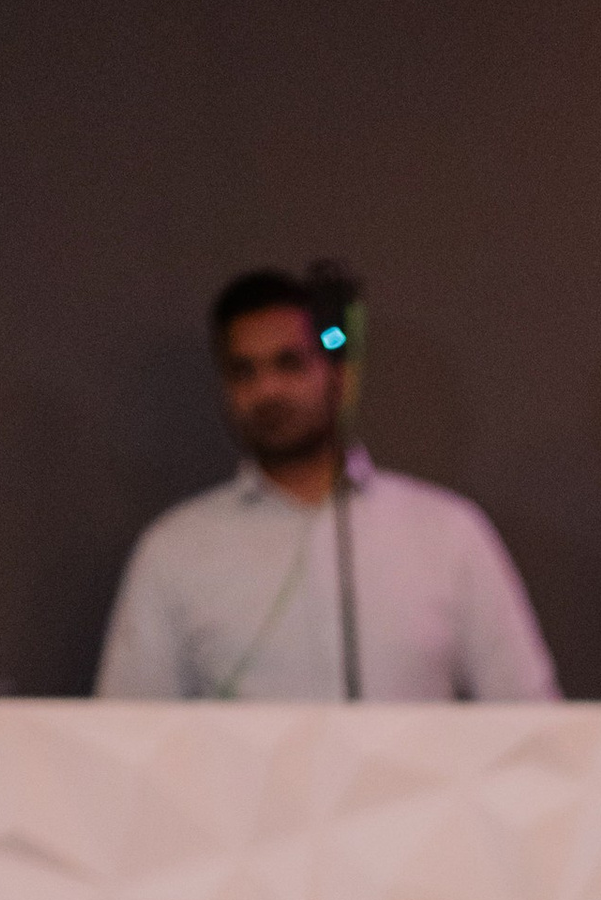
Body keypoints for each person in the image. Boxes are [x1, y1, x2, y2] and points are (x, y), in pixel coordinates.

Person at [95, 268, 557, 702]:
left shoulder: (448, 532)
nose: (268, 391)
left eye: (289, 363)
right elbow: (125, 732)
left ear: (339, 374)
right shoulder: (175, 550)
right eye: (244, 371)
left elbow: (529, 714)